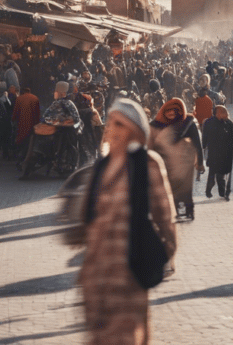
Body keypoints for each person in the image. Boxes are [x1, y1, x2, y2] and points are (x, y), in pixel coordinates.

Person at [80, 99, 177, 345]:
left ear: (134, 131)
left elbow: (166, 219)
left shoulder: (147, 164)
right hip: (97, 278)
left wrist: (158, 257)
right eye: (110, 122)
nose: (111, 128)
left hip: (129, 274)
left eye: (120, 124)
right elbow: (88, 219)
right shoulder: (101, 167)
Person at [148, 99, 204, 220]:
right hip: (168, 163)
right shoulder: (157, 124)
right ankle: (179, 211)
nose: (170, 114)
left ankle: (189, 211)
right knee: (173, 188)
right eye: (167, 111)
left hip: (186, 162)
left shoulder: (188, 123)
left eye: (174, 111)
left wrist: (200, 162)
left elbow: (197, 143)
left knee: (186, 188)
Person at [201, 106, 233, 200]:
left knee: (221, 174)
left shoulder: (229, 123)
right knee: (212, 173)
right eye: (225, 113)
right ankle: (209, 189)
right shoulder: (208, 123)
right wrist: (203, 145)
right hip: (213, 152)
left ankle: (222, 193)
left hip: (225, 153)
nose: (227, 115)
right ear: (218, 113)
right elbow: (204, 136)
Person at [12, 86, 42, 160]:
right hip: (32, 124)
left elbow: (15, 112)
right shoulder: (35, 98)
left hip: (21, 124)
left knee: (21, 140)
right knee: (30, 141)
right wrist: (38, 124)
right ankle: (27, 156)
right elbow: (38, 113)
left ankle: (20, 157)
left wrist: (13, 119)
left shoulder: (19, 98)